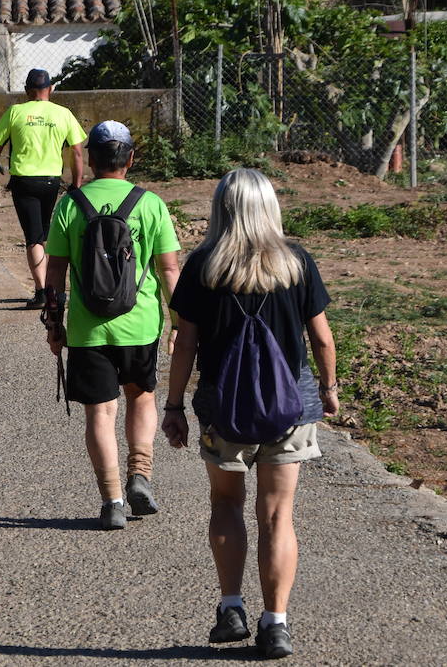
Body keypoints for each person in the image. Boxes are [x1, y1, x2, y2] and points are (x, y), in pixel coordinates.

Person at [162, 168, 339, 660]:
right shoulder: (296, 263)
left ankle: (232, 606)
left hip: (224, 407)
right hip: (290, 407)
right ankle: (276, 624)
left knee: (226, 504)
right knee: (279, 514)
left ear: (222, 209)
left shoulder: (202, 266)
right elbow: (322, 338)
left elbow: (185, 346)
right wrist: (328, 388)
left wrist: (174, 405)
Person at [42, 121, 181, 529]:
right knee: (140, 397)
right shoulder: (150, 203)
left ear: (92, 160)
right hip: (139, 325)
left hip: (88, 328)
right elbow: (169, 269)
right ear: (130, 159)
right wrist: (180, 321)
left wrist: (54, 323)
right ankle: (141, 475)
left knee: (100, 412)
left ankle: (112, 500)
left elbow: (55, 272)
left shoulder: (71, 205)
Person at [0, 68, 86, 309]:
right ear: (50, 89)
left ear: (27, 91)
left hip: (24, 181)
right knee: (42, 233)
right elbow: (76, 150)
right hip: (51, 181)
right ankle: (51, 288)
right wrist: (77, 183)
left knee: (34, 238)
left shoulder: (16, 112)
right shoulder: (63, 114)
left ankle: (42, 291)